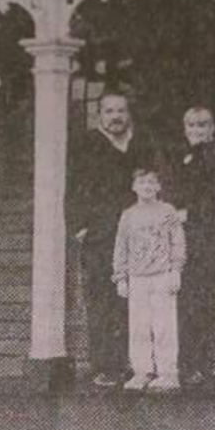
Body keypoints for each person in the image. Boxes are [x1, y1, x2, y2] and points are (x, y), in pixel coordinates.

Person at [70, 92, 156, 387]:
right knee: (102, 298)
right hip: (101, 234)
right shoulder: (87, 144)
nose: (115, 116)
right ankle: (106, 366)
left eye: (121, 110)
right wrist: (81, 226)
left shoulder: (141, 145)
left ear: (128, 114)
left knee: (138, 296)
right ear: (99, 115)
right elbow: (74, 184)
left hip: (138, 231)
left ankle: (138, 364)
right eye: (109, 111)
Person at [172, 107, 215, 385]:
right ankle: (180, 365)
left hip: (205, 238)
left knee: (203, 301)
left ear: (212, 129)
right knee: (181, 300)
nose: (196, 130)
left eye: (202, 125)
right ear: (185, 129)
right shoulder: (179, 159)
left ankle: (201, 366)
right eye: (192, 125)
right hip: (178, 237)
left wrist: (192, 213)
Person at [112, 168, 186, 392]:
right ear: (134, 187)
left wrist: (176, 271)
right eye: (142, 182)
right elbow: (121, 247)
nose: (147, 186)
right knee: (139, 327)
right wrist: (121, 277)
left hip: (162, 275)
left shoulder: (168, 211)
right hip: (137, 278)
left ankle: (168, 374)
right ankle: (142, 372)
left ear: (159, 187)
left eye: (152, 182)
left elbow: (178, 242)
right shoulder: (128, 215)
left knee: (164, 326)